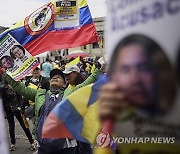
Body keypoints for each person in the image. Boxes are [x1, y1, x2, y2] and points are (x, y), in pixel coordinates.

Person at [2, 69, 79, 154]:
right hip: (44, 144)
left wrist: (97, 69)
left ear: (64, 84)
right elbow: (21, 88)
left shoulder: (70, 94)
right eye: (53, 77)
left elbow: (87, 83)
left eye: (58, 77)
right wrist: (5, 74)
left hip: (65, 145)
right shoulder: (40, 94)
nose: (54, 78)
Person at [63, 64, 101, 154]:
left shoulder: (84, 87)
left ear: (76, 74)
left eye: (69, 74)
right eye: (65, 74)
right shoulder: (67, 87)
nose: (66, 76)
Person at [0, 81, 36, 151]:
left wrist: (23, 107)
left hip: (19, 109)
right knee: (11, 127)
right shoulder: (3, 87)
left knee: (25, 125)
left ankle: (32, 142)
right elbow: (2, 100)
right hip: (9, 110)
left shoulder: (17, 85)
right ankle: (13, 144)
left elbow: (22, 97)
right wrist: (4, 111)